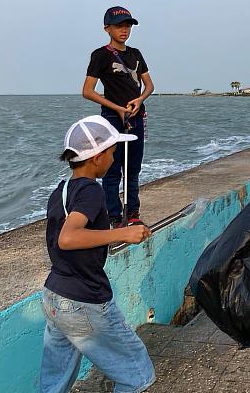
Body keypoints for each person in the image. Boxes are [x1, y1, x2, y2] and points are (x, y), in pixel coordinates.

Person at [40, 115, 155, 393]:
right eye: (112, 153)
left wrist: (112, 237)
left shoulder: (63, 189)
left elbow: (70, 240)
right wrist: (123, 233)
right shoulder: (92, 190)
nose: (114, 160)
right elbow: (68, 238)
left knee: (54, 383)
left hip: (56, 296)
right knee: (137, 375)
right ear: (96, 158)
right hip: (84, 300)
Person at [82, 6, 155, 228]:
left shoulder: (136, 54)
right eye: (119, 26)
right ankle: (114, 216)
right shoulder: (100, 55)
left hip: (136, 116)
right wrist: (117, 108)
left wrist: (139, 100)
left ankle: (133, 212)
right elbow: (88, 91)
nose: (124, 30)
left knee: (133, 169)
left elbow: (149, 85)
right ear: (107, 29)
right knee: (111, 170)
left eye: (128, 26)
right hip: (112, 119)